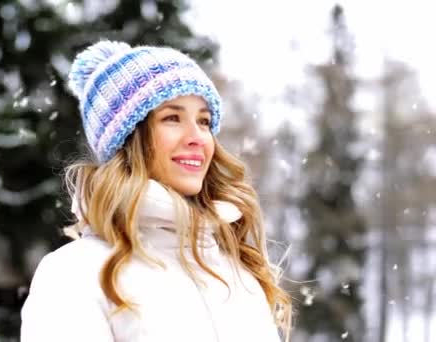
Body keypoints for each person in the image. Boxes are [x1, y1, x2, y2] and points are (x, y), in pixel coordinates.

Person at [20, 40, 292, 341]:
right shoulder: (74, 274)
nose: (197, 137)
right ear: (128, 140)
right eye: (172, 118)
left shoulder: (239, 274)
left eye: (203, 121)